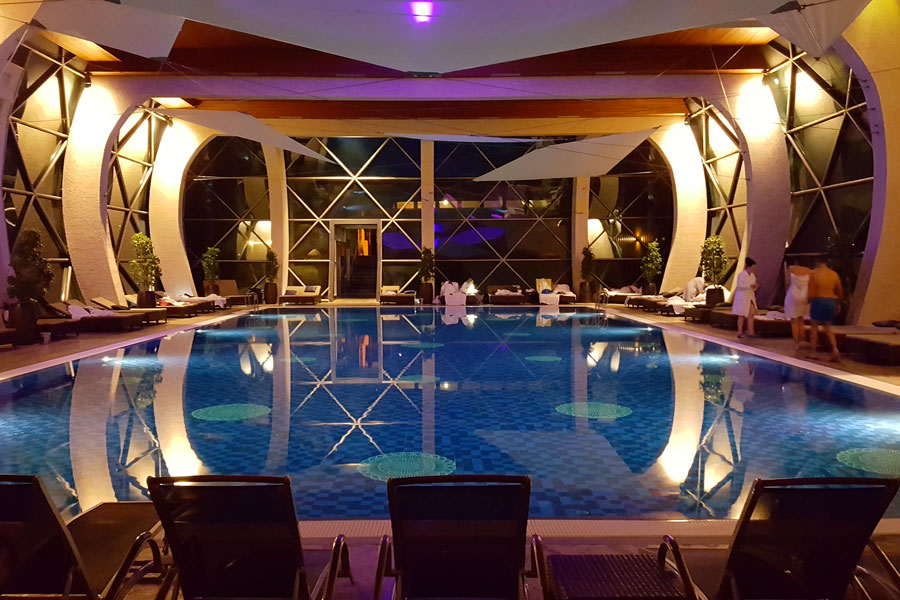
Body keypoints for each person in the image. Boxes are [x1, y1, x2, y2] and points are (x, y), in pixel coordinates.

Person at [807, 259, 843, 361]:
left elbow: (811, 292)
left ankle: (813, 352)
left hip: (818, 300)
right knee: (827, 326)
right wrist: (838, 303)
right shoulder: (834, 274)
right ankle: (835, 349)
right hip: (831, 301)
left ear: (817, 263)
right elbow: (839, 291)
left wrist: (807, 301)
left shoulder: (813, 273)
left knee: (814, 326)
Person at [784, 263, 812, 353]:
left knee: (794, 321)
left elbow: (787, 283)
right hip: (804, 295)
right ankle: (801, 340)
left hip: (793, 294)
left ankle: (796, 343)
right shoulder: (809, 270)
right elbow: (811, 285)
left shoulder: (791, 268)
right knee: (801, 319)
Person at [732, 258, 758, 338]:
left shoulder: (752, 276)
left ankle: (750, 331)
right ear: (748, 267)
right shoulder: (741, 275)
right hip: (742, 297)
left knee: (751, 314)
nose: (754, 269)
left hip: (749, 296)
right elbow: (740, 286)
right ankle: (739, 331)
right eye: (753, 267)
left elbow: (753, 287)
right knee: (742, 314)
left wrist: (755, 287)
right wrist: (750, 286)